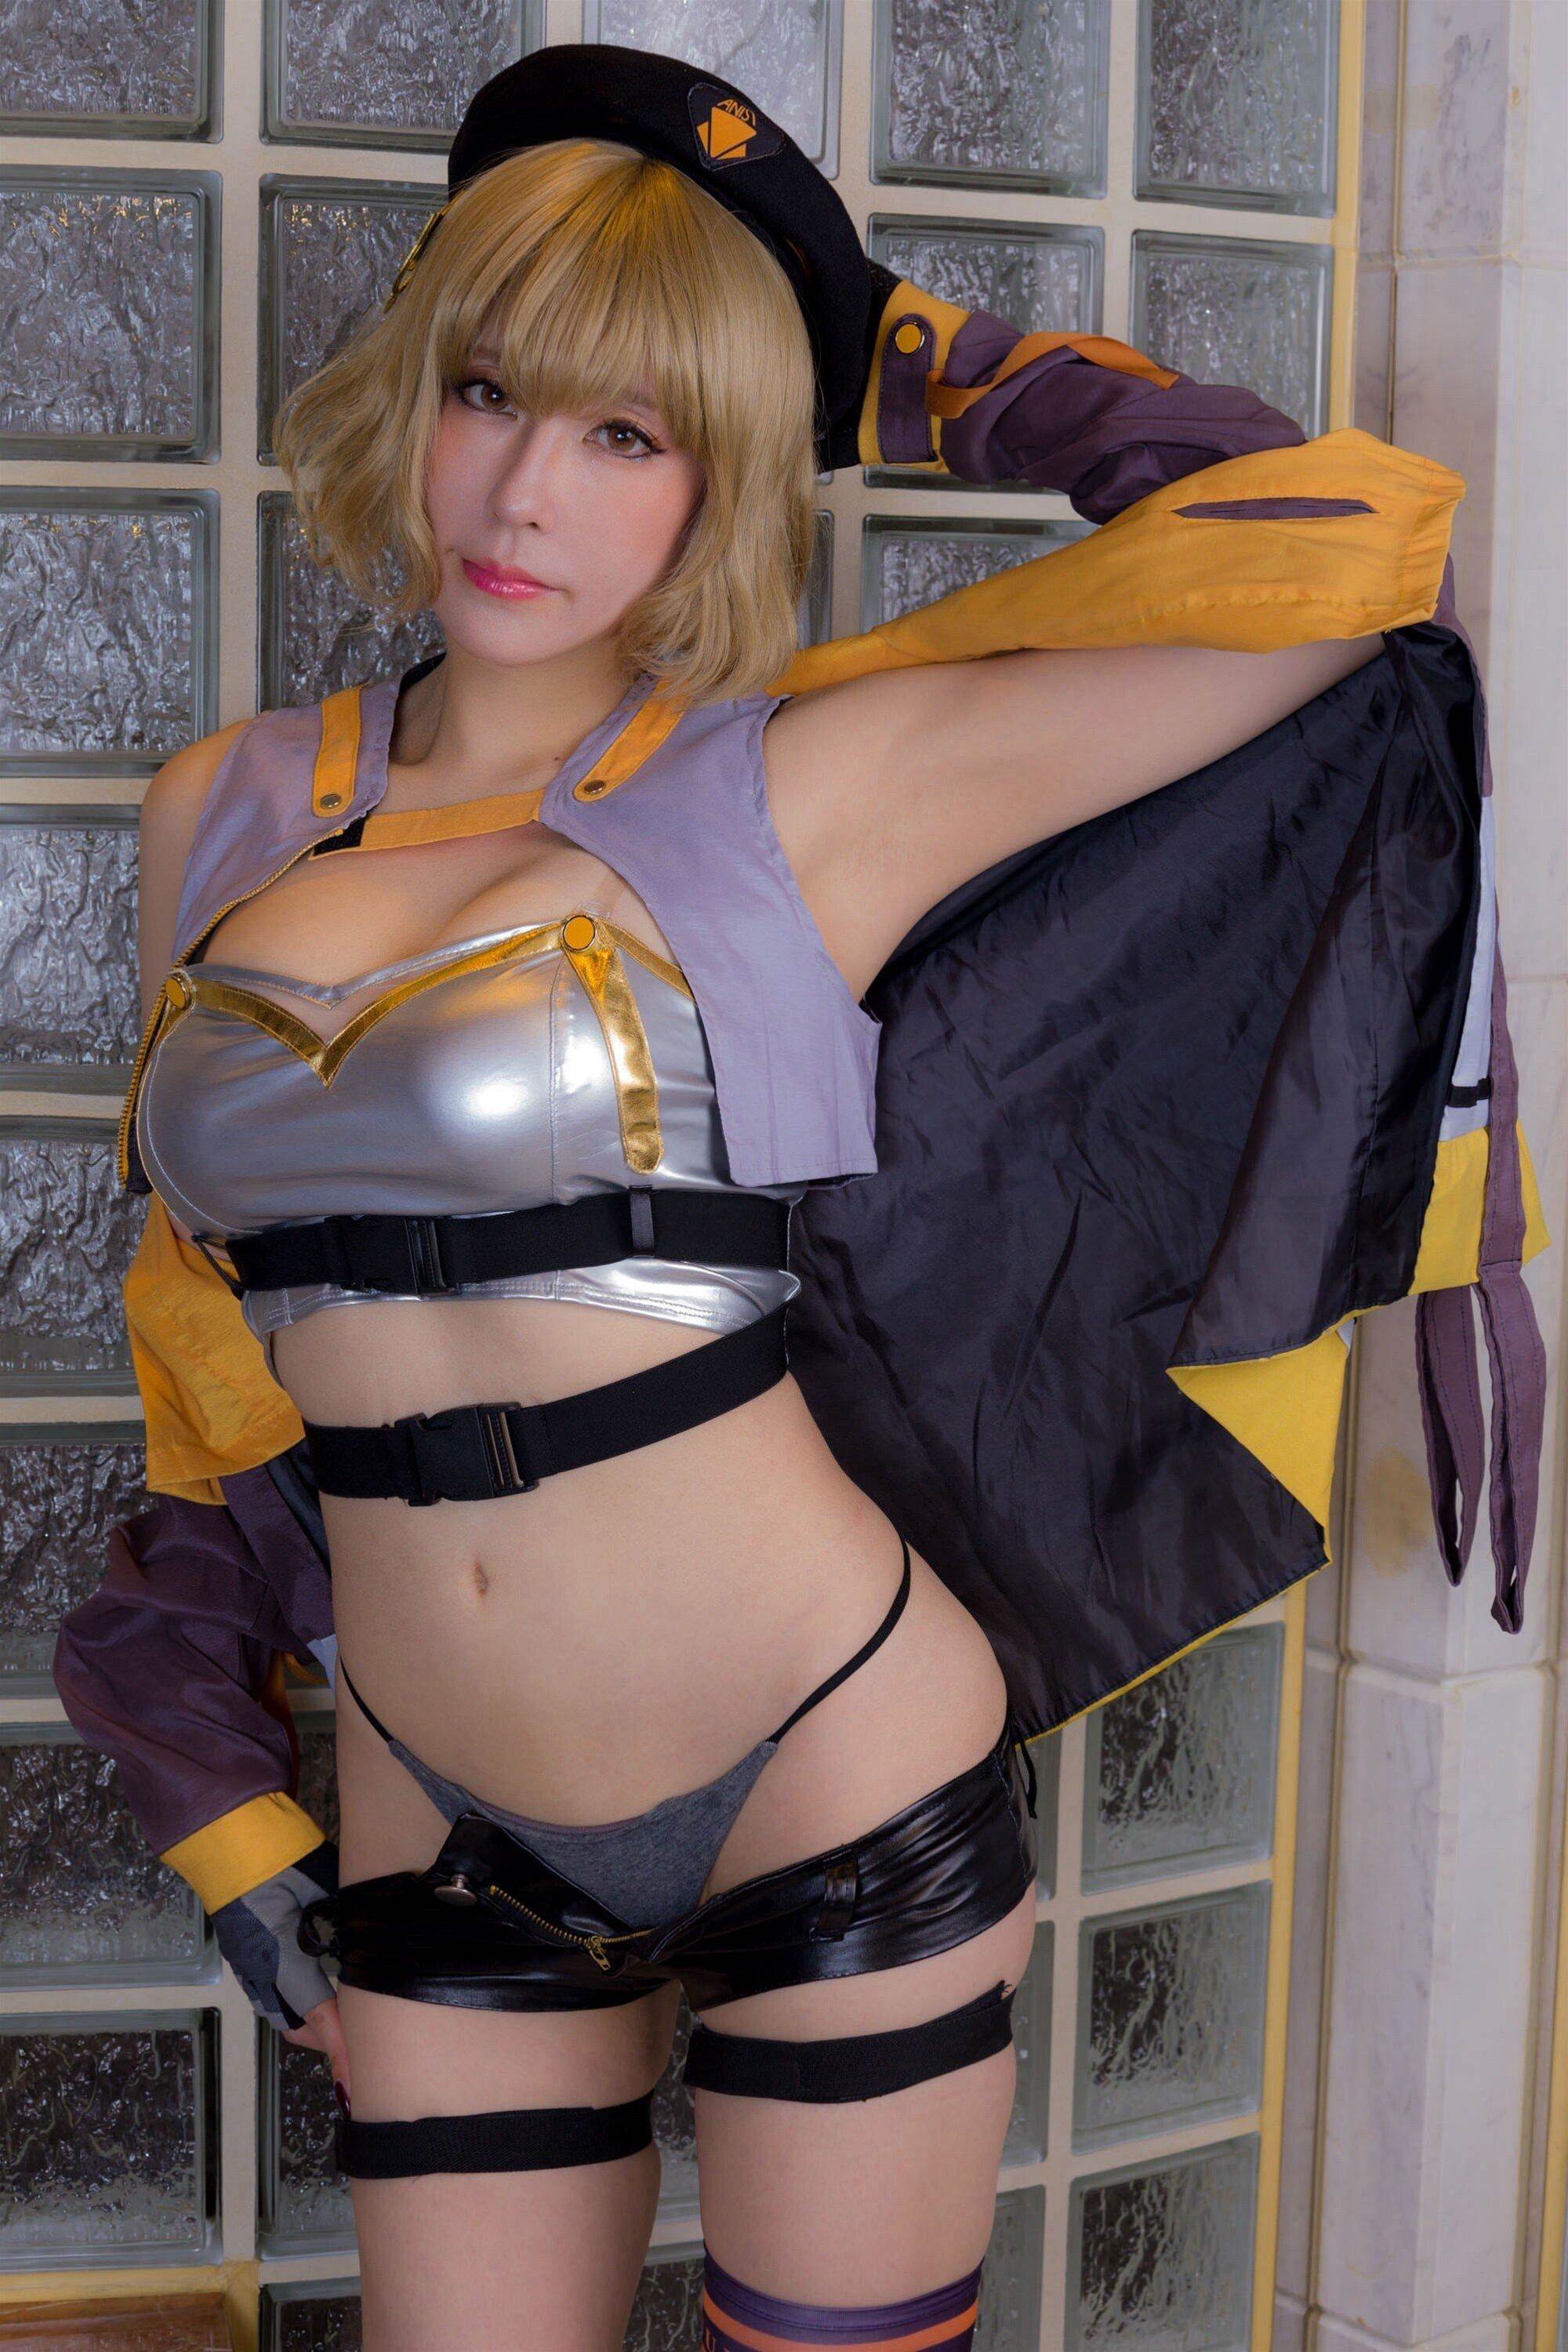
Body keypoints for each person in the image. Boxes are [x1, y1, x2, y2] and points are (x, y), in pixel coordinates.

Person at [53, 44, 1548, 2352]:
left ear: (734, 469)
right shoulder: (222, 812)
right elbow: (211, 1373)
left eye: (631, 433)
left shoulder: (814, 782)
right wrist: (225, 1799)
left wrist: (890, 353)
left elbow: (1348, 553)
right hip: (435, 1803)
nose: (524, 491)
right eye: (489, 391)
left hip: (826, 1764)